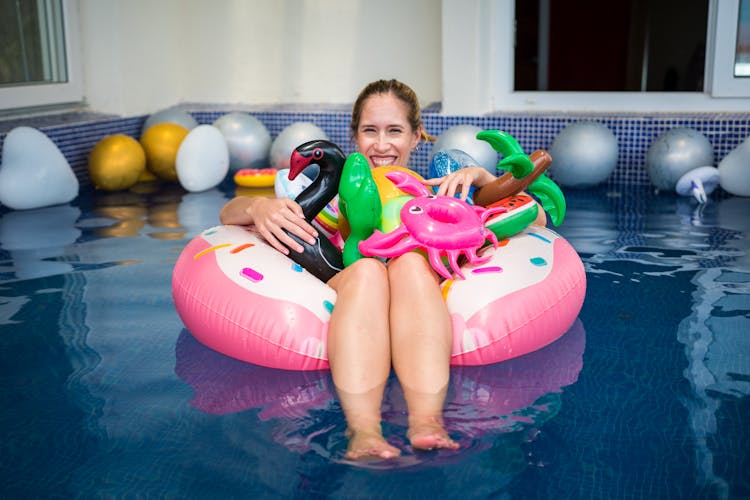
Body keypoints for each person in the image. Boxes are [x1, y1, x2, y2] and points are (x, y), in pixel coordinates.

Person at [220, 79, 509, 460]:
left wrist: (483, 179)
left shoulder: (437, 191)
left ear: (417, 136)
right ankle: (364, 431)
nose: (382, 144)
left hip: (415, 280)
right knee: (370, 271)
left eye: (395, 131)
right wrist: (258, 207)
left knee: (409, 264)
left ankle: (427, 422)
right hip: (354, 276)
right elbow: (226, 215)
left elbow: (534, 218)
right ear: (354, 135)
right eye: (370, 131)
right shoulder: (331, 190)